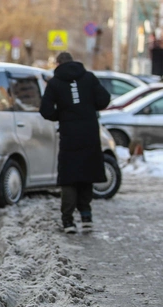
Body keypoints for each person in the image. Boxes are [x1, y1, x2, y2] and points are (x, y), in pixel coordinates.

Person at [39, 52, 111, 234]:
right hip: (90, 134)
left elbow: (45, 110)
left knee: (69, 177)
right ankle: (86, 217)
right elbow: (104, 99)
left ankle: (68, 221)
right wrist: (87, 108)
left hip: (69, 136)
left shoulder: (55, 83)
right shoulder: (88, 77)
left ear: (58, 64)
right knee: (87, 173)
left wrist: (61, 115)